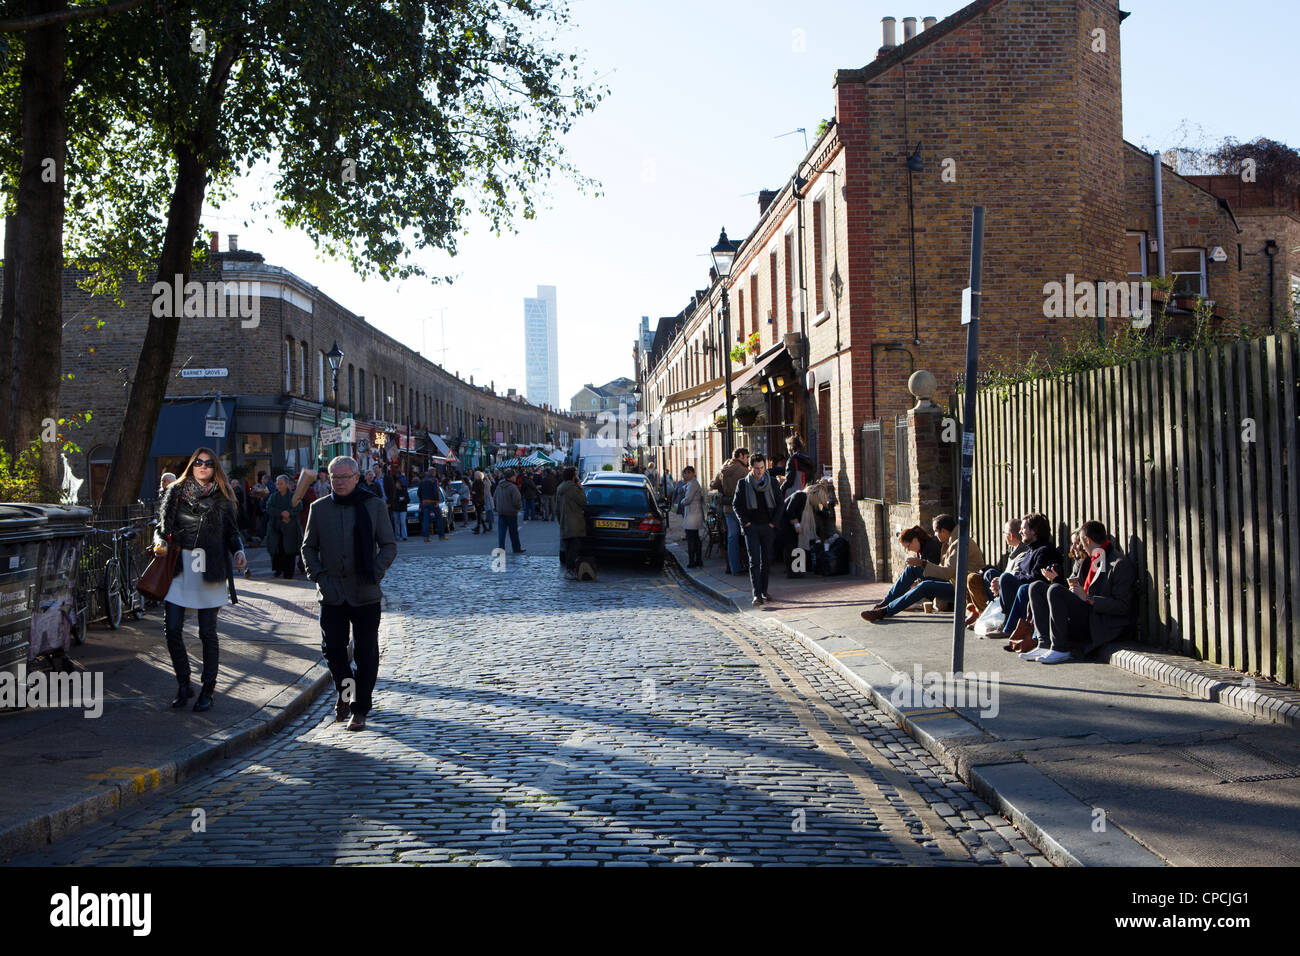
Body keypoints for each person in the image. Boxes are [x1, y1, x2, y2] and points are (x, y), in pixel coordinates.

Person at [301, 456, 398, 732]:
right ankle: (345, 695)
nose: (339, 482)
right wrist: (319, 576)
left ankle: (360, 709)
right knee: (333, 651)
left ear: (357, 477)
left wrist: (374, 573)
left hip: (365, 593)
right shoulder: (319, 508)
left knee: (366, 653)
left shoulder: (374, 506)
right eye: (334, 477)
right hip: (332, 594)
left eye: (345, 477)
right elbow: (308, 547)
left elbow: (389, 546)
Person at [152, 447, 247, 712]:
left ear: (215, 467)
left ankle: (208, 690)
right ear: (191, 465)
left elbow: (232, 532)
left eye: (208, 463)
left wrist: (239, 551)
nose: (203, 466)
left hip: (211, 567)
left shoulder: (223, 496)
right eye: (198, 462)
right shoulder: (175, 492)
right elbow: (162, 528)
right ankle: (184, 684)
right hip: (180, 568)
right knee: (171, 629)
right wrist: (160, 541)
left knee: (208, 633)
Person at [1020, 520, 1135, 664]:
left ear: (1087, 540)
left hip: (1099, 622)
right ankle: (1044, 644)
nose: (1080, 546)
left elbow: (1123, 606)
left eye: (1081, 542)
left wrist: (1088, 598)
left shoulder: (1118, 564)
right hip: (1085, 613)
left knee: (1055, 590)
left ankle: (1060, 649)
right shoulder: (1089, 560)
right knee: (1036, 587)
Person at [860, 515, 983, 622]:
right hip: (953, 580)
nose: (934, 534)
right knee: (912, 570)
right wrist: (921, 565)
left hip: (962, 588)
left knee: (925, 586)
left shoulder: (959, 543)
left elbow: (946, 573)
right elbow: (946, 570)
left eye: (936, 531)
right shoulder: (952, 542)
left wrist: (922, 563)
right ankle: (885, 602)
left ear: (944, 531)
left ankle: (886, 611)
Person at [989, 514, 1064, 651]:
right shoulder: (1031, 550)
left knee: (1016, 584)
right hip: (1027, 591)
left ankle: (1010, 627)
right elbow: (1022, 574)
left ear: (1034, 531)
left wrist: (1008, 580)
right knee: (1000, 578)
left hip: (1039, 594)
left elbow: (1036, 578)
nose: (1020, 532)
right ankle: (1013, 630)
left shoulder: (1044, 551)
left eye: (1024, 528)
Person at [733, 453, 778, 606]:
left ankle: (764, 591)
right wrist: (745, 523)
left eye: (762, 468)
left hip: (767, 527)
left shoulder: (772, 482)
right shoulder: (743, 483)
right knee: (754, 561)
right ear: (751, 468)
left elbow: (780, 504)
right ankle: (756, 595)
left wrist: (773, 524)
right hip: (751, 527)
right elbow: (736, 505)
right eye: (757, 469)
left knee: (766, 561)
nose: (759, 472)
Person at [965, 518, 1028, 624]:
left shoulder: (1022, 552)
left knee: (988, 575)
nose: (1004, 535)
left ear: (1011, 536)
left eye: (1004, 533)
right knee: (979, 575)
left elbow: (1014, 576)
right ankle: (985, 615)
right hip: (1007, 587)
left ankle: (995, 617)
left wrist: (999, 580)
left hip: (1013, 591)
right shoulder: (1014, 549)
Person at [711, 447, 750, 576]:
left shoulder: (723, 468)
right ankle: (750, 565)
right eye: (746, 457)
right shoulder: (743, 471)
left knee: (732, 537)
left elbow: (713, 484)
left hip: (727, 507)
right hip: (741, 507)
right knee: (747, 535)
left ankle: (734, 568)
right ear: (740, 456)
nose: (748, 459)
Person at [778, 482, 831, 577]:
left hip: (791, 526)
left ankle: (795, 570)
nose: (818, 503)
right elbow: (790, 510)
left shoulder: (809, 503)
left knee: (796, 547)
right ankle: (793, 572)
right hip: (786, 525)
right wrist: (796, 524)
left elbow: (819, 513)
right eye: (819, 500)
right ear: (815, 495)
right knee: (791, 547)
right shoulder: (800, 496)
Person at [263, 474, 303, 579]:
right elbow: (268, 508)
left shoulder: (292, 496)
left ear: (286, 484)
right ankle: (278, 569)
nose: (279, 486)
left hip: (290, 528)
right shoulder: (274, 496)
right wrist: (281, 513)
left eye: (281, 483)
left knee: (290, 551)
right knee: (277, 550)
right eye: (277, 483)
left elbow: (299, 506)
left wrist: (289, 513)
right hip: (276, 528)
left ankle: (289, 572)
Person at [556, 466, 593, 578]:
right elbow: (583, 500)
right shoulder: (573, 488)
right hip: (575, 522)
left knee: (568, 548)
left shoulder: (560, 487)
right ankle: (570, 570)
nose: (577, 476)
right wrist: (581, 487)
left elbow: (557, 508)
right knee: (574, 547)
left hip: (564, 521)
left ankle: (569, 569)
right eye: (576, 475)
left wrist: (560, 520)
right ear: (573, 476)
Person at [679, 465, 705, 568]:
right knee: (695, 538)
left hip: (692, 514)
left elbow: (688, 499)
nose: (684, 476)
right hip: (693, 513)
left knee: (691, 539)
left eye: (685, 473)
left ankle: (692, 561)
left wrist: (681, 502)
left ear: (691, 473)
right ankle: (697, 560)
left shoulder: (693, 484)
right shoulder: (692, 483)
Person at [494, 468, 524, 553]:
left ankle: (501, 548)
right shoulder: (512, 487)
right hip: (511, 512)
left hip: (501, 512)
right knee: (513, 532)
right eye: (514, 476)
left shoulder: (499, 486)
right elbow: (517, 500)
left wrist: (497, 507)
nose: (515, 477)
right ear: (510, 477)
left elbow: (495, 497)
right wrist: (518, 508)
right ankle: (516, 548)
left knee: (501, 533)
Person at [416, 469, 444, 542]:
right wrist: (437, 501)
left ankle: (426, 537)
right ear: (434, 473)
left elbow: (419, 492)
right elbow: (436, 491)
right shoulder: (434, 480)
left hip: (424, 502)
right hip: (432, 501)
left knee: (426, 520)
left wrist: (422, 500)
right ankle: (441, 535)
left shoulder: (422, 481)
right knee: (439, 517)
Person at [388, 473, 410, 541]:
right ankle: (397, 536)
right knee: (396, 523)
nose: (396, 485)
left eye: (397, 483)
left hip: (403, 509)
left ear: (400, 484)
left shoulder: (404, 491)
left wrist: (403, 499)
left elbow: (408, 500)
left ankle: (404, 536)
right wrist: (397, 500)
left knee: (402, 522)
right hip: (396, 508)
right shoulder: (394, 491)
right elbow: (393, 499)